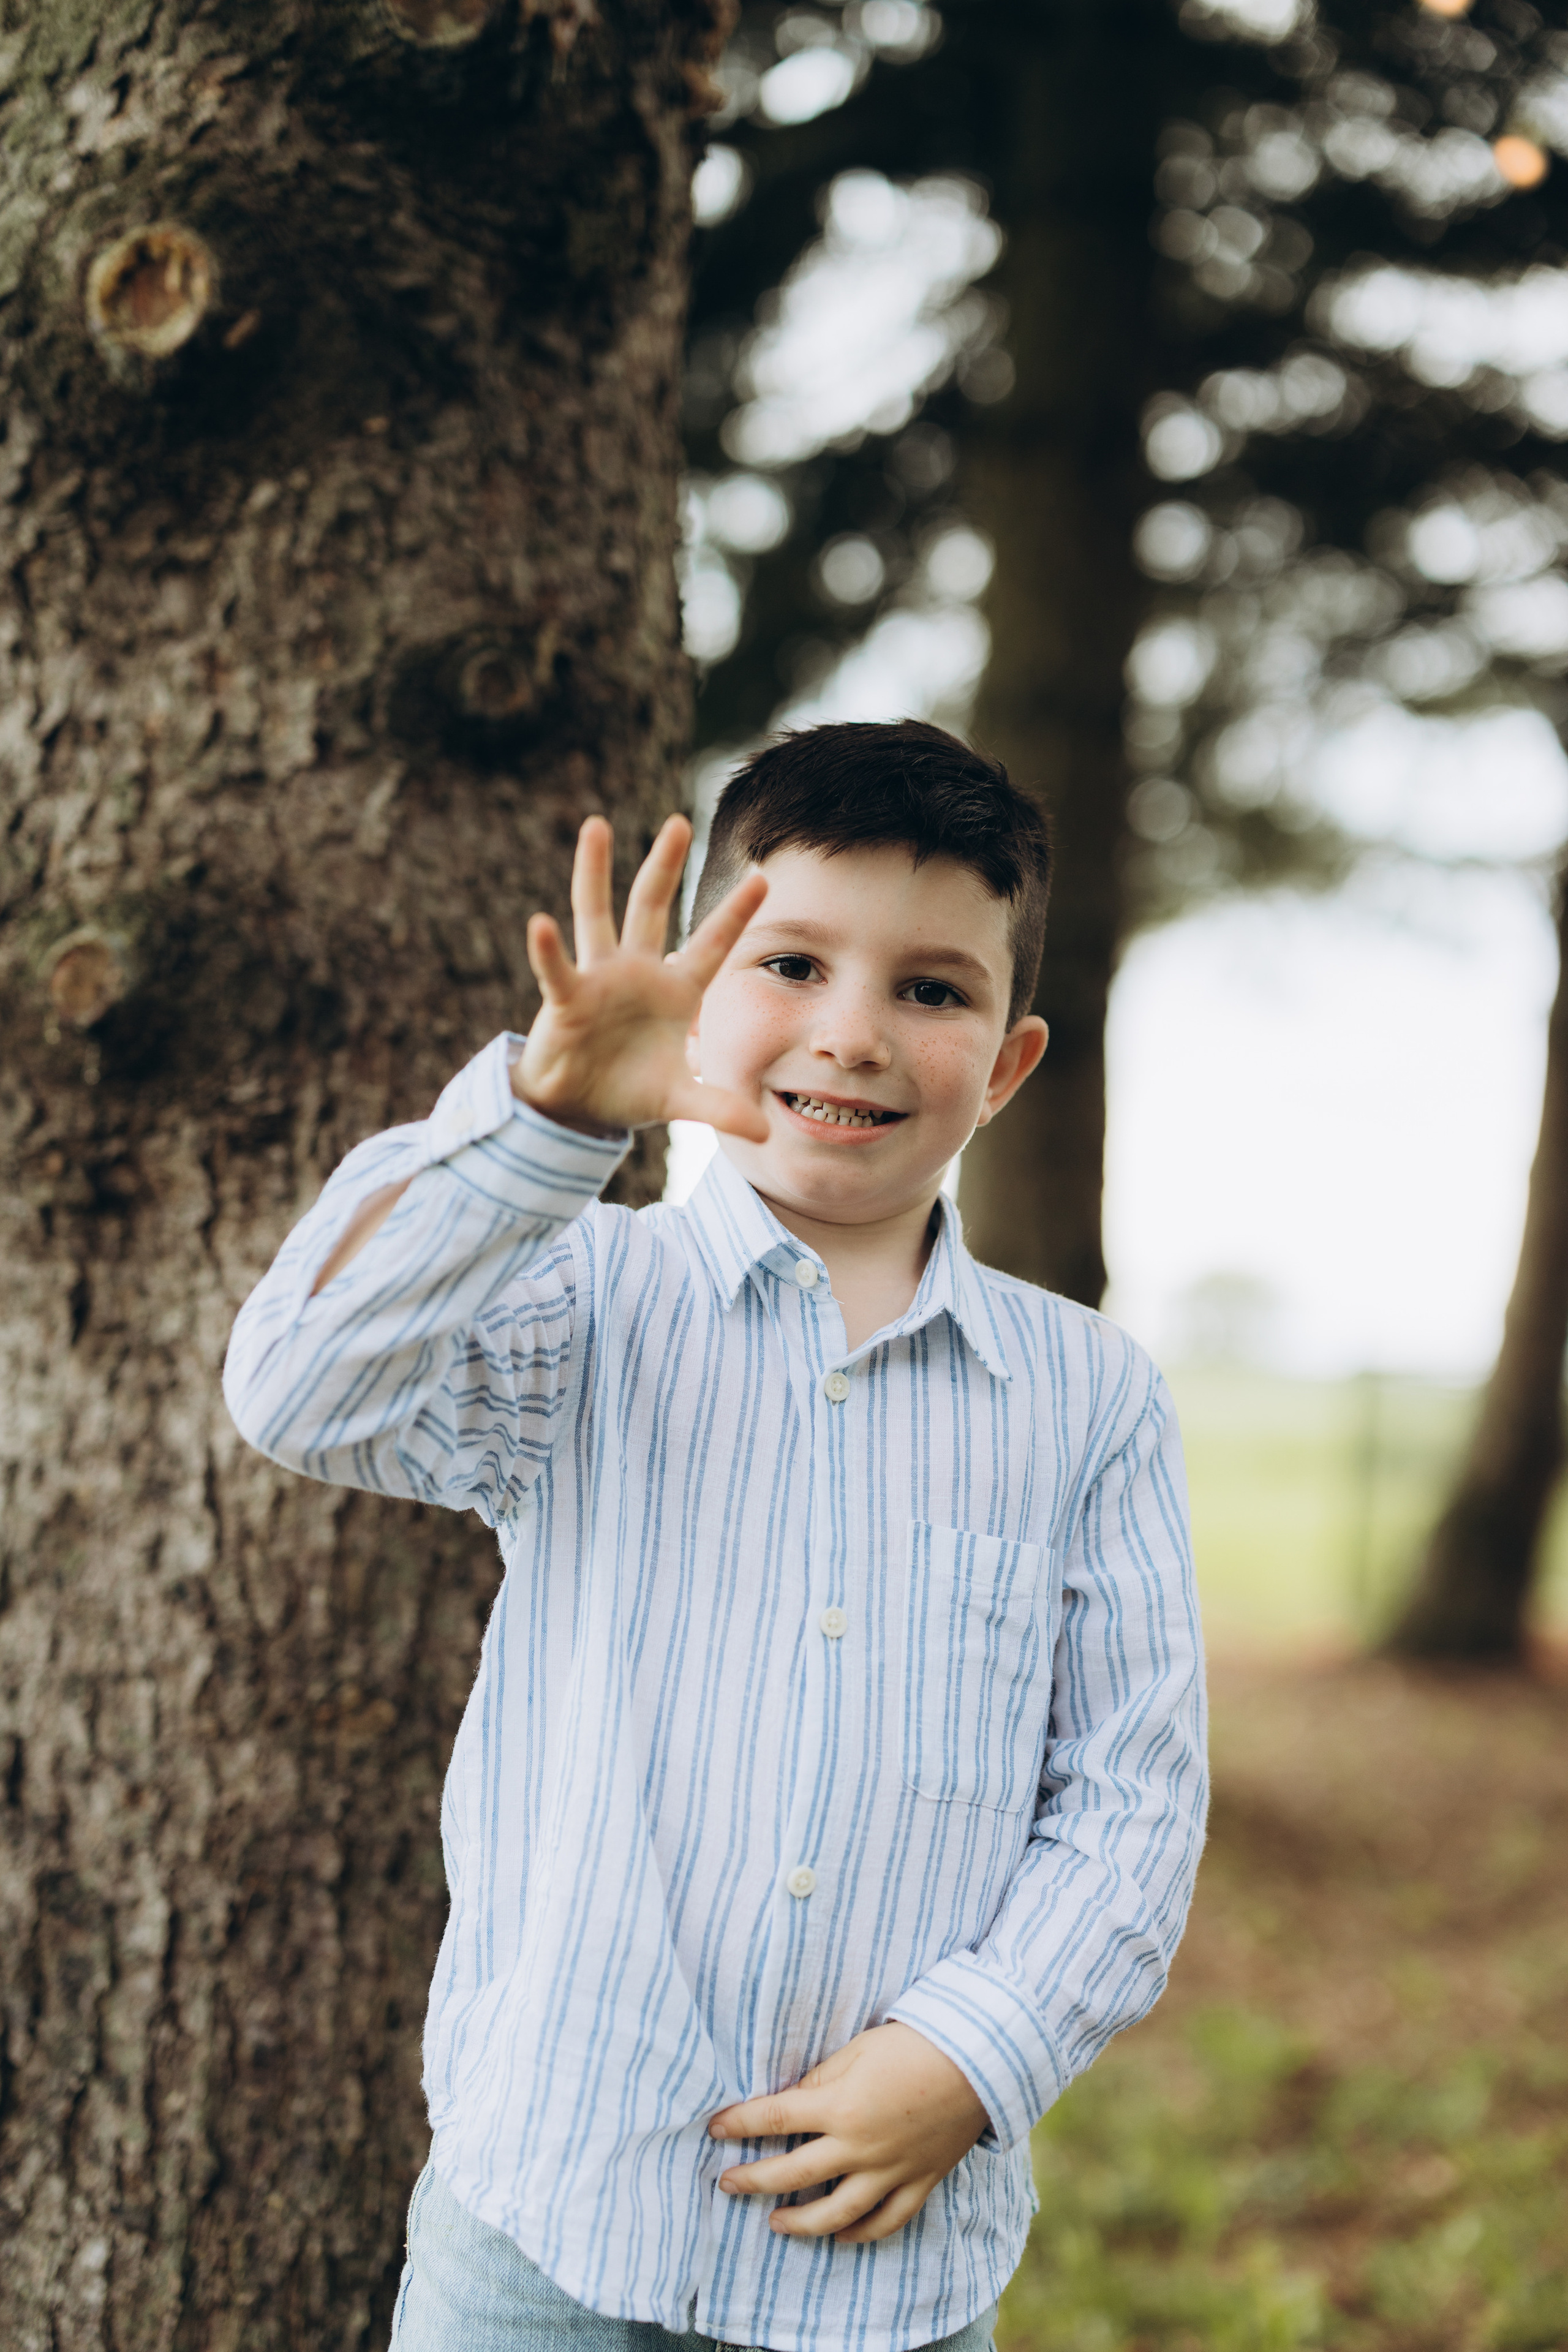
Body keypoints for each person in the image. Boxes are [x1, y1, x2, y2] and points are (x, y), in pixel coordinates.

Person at [224, 718, 1207, 2352]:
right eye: (793, 963)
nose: (853, 1033)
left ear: (1007, 1063)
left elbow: (1133, 1795)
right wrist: (544, 1123)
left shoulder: (1089, 1398)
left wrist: (973, 2054)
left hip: (883, 2270)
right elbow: (303, 1388)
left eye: (931, 990)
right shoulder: (581, 1300)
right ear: (700, 996)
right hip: (547, 2221)